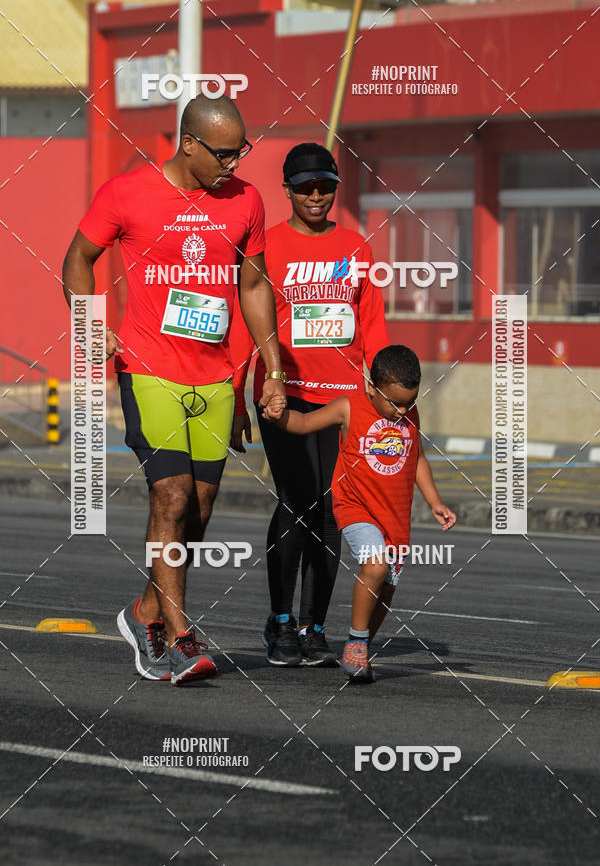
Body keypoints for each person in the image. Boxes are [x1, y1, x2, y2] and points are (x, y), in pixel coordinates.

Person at [62, 95, 285, 686]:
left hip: (213, 376)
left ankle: (145, 612)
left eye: (241, 152)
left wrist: (271, 370)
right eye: (225, 153)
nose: (234, 164)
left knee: (200, 511)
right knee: (173, 496)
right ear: (188, 143)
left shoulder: (246, 200)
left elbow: (254, 286)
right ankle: (181, 637)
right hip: (148, 369)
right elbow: (79, 257)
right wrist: (87, 323)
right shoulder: (126, 193)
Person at [230, 142, 389, 667]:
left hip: (343, 403)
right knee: (297, 501)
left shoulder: (356, 247)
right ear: (287, 190)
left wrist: (385, 396)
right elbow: (245, 328)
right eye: (305, 188)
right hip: (284, 396)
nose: (316, 196)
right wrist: (237, 398)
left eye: (325, 186)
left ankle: (313, 627)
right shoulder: (266, 246)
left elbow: (373, 327)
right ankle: (280, 622)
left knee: (329, 509)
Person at [272, 344, 456, 682]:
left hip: (395, 516)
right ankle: (356, 641)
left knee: (386, 588)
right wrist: (278, 415)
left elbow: (417, 457)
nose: (402, 410)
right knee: (376, 565)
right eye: (395, 402)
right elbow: (305, 422)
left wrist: (435, 502)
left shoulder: (410, 414)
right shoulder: (349, 407)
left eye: (409, 402)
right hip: (355, 506)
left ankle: (359, 649)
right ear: (373, 388)